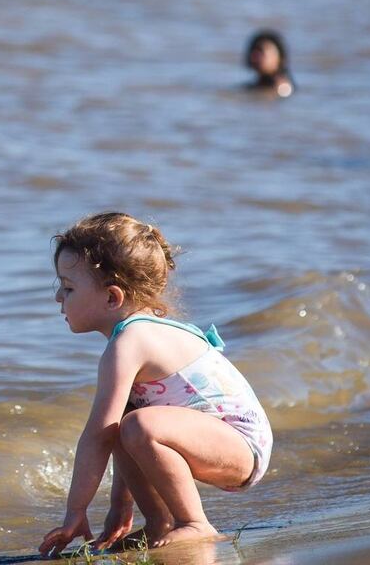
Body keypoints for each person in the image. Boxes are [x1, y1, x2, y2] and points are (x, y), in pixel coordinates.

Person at [39, 213, 272, 556]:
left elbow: (98, 434)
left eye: (69, 288)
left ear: (111, 298)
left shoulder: (132, 341)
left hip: (241, 444)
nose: (59, 297)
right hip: (218, 441)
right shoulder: (132, 336)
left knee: (138, 424)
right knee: (129, 420)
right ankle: (160, 522)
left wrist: (76, 511)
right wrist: (119, 507)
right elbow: (116, 434)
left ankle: (194, 523)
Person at [245, 30, 294, 98]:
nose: (255, 56)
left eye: (261, 52)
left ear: (279, 57)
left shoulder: (282, 88)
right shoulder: (255, 86)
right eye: (253, 51)